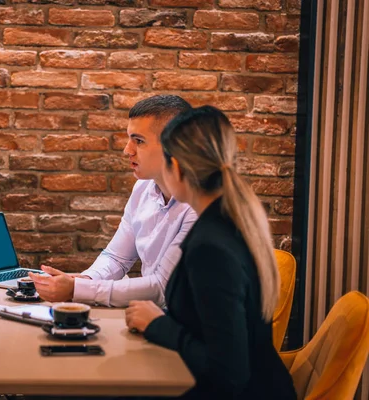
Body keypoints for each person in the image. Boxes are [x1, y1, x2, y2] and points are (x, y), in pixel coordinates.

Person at [125, 106, 296, 399]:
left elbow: (229, 374)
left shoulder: (210, 247)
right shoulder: (229, 221)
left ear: (176, 168)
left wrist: (158, 325)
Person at [30, 95, 198, 307]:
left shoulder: (199, 205)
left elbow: (163, 288)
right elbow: (117, 257)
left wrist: (76, 290)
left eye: (139, 141)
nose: (127, 150)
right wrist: (85, 280)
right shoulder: (143, 188)